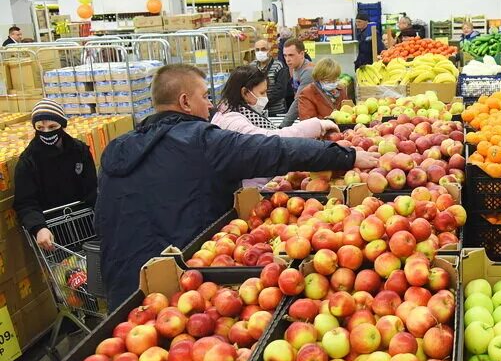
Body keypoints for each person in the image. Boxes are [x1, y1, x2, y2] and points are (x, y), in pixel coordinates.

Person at [96, 64, 379, 308]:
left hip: (123, 287)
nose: (210, 105)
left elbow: (103, 218)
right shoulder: (201, 140)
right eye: (205, 96)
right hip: (180, 282)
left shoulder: (116, 149)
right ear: (184, 101)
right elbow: (273, 151)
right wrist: (346, 156)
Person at [14, 100, 97, 251]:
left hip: (88, 229)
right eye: (40, 127)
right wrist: (39, 228)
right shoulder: (28, 162)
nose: (46, 132)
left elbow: (92, 190)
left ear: (62, 125)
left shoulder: (80, 151)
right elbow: (25, 203)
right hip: (55, 236)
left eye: (52, 127)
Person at [211, 65, 335, 138]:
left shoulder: (232, 111)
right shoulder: (234, 122)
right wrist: (314, 126)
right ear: (244, 92)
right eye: (261, 93)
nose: (266, 98)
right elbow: (271, 138)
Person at [281, 39, 315, 127]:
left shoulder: (308, 72)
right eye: (285, 56)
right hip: (305, 116)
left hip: (314, 119)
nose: (287, 60)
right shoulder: (295, 67)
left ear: (302, 54)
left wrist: (283, 126)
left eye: (291, 55)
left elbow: (299, 100)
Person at [250, 39, 287, 117]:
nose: (260, 52)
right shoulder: (251, 67)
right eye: (257, 50)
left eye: (263, 49)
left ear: (269, 51)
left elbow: (280, 90)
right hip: (256, 111)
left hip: (276, 110)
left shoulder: (279, 66)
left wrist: (264, 102)